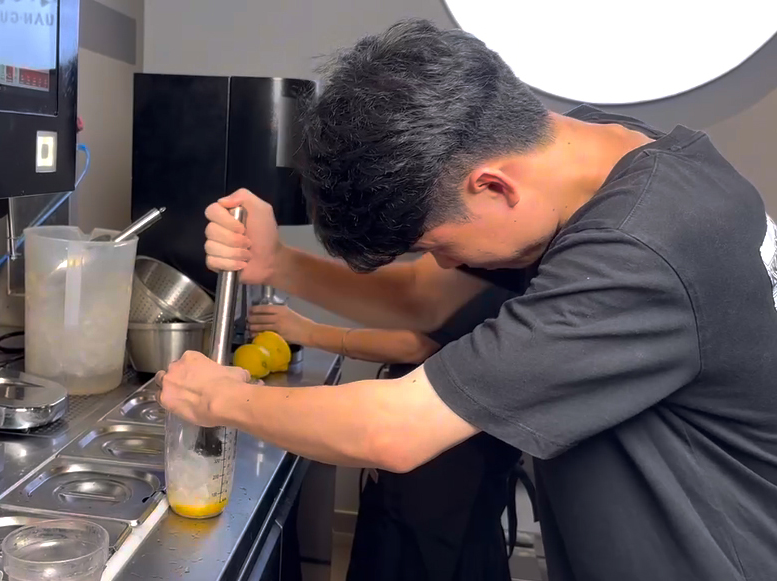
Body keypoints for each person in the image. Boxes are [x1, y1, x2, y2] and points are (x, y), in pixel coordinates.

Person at [157, 19, 777, 581]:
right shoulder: (591, 160)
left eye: (438, 245)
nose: (446, 265)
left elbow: (394, 430)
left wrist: (220, 398)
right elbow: (426, 300)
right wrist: (279, 263)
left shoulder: (639, 246)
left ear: (494, 187)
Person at [250, 295, 525, 581]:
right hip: (435, 460)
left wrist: (308, 331)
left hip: (451, 470)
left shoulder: (490, 286)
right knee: (390, 543)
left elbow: (417, 343)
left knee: (423, 555)